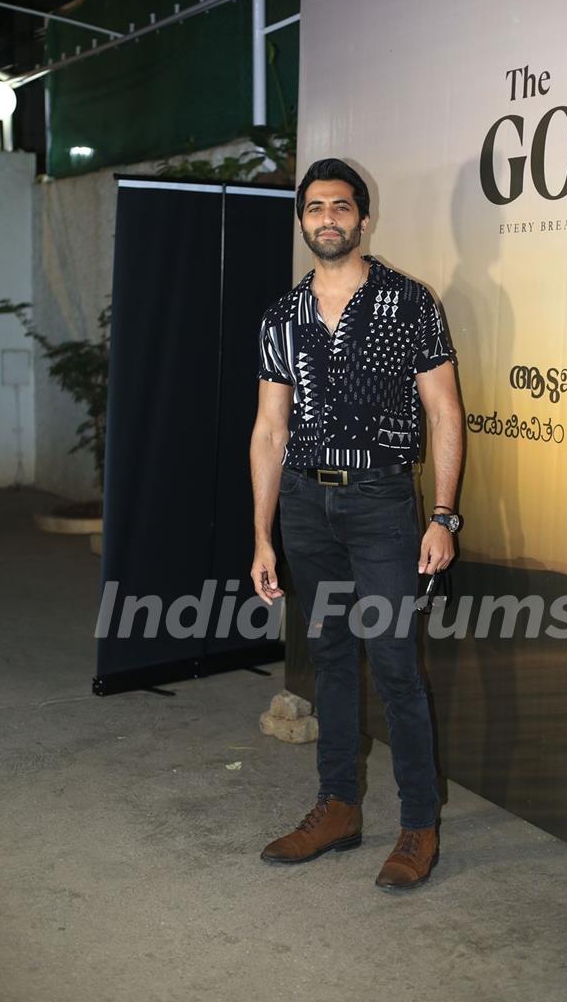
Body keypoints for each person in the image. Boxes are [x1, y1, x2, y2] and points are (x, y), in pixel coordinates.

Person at [249, 158, 464, 890]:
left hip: (380, 504)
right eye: (315, 208)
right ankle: (338, 806)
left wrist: (441, 515)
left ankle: (418, 825)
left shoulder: (410, 302)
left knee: (398, 666)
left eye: (341, 207)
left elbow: (445, 414)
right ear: (304, 220)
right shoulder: (283, 315)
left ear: (363, 218)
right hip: (307, 508)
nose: (328, 219)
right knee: (332, 659)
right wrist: (262, 533)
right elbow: (269, 431)